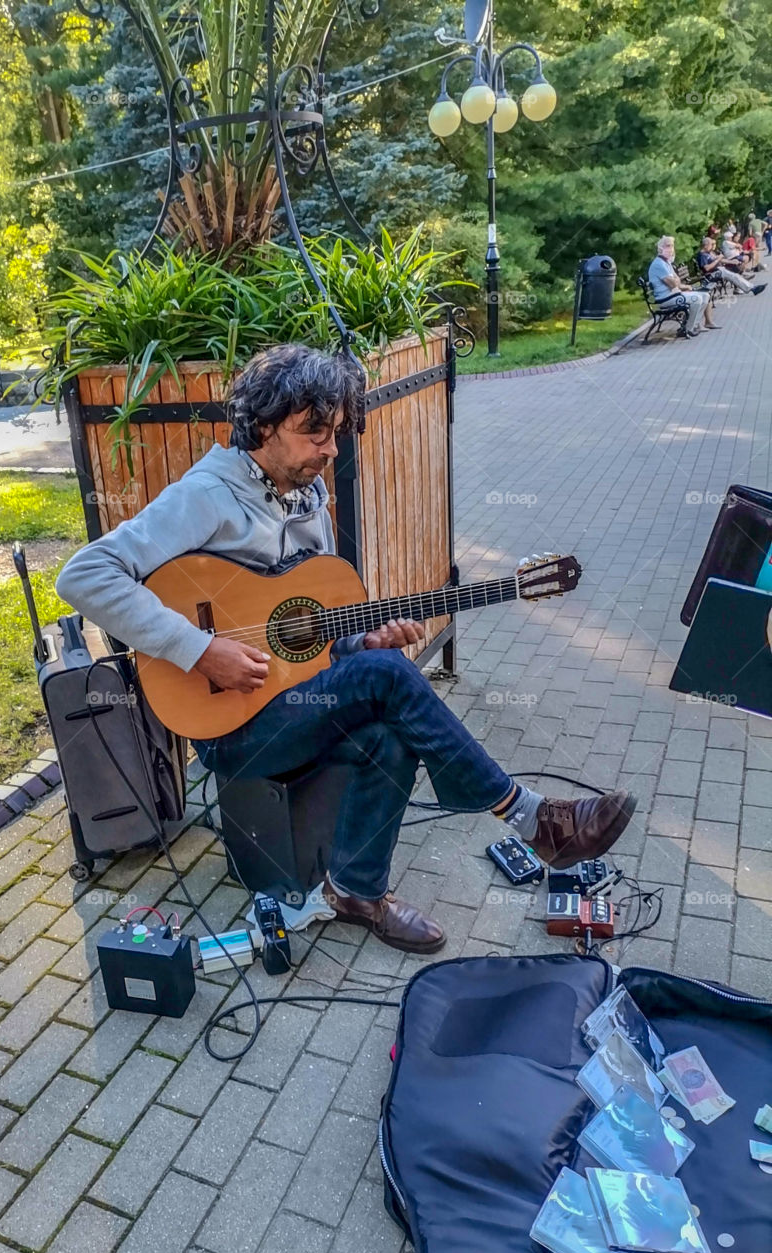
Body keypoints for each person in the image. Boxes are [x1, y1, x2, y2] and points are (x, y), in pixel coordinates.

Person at [55, 345, 637, 953]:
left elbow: (317, 627)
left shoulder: (306, 498)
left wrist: (364, 639)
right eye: (315, 433)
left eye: (335, 432)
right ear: (264, 426)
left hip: (288, 703)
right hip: (227, 726)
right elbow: (84, 576)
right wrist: (200, 650)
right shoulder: (206, 497)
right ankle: (533, 818)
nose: (331, 449)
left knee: (389, 730)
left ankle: (356, 891)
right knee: (385, 677)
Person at [648, 235, 718, 334]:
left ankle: (695, 325)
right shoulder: (659, 264)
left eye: (672, 246)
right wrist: (676, 281)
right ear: (660, 248)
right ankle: (688, 329)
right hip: (666, 298)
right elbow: (673, 284)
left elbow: (677, 280)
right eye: (668, 246)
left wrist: (676, 281)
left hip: (673, 294)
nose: (671, 249)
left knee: (705, 295)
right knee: (697, 299)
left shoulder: (666, 262)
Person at [697, 236, 766, 296]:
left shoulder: (708, 253)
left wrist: (732, 262)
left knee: (735, 275)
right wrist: (717, 259)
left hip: (719, 271)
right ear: (705, 245)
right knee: (734, 275)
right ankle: (751, 288)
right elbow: (707, 268)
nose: (712, 246)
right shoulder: (702, 255)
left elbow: (721, 260)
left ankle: (752, 287)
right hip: (711, 275)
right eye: (711, 245)